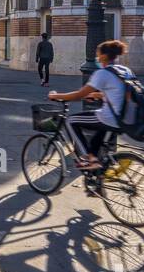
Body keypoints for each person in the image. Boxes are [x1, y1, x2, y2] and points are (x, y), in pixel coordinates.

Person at [48, 38, 132, 172]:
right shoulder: (124, 70)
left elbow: (78, 95)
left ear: (104, 56)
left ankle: (88, 159)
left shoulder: (103, 73)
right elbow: (123, 93)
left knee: (71, 121)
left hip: (109, 117)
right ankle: (98, 176)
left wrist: (56, 96)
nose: (97, 58)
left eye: (98, 54)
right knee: (96, 141)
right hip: (124, 117)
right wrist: (96, 95)